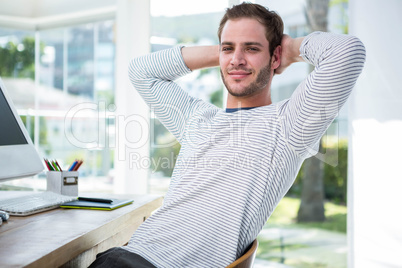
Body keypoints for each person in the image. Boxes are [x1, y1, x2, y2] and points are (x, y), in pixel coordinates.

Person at [89, 2, 365, 267]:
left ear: (275, 56)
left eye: (252, 48)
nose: (237, 60)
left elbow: (348, 51)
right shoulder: (197, 118)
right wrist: (226, 53)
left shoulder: (289, 125)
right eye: (228, 49)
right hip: (125, 255)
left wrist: (288, 49)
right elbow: (141, 71)